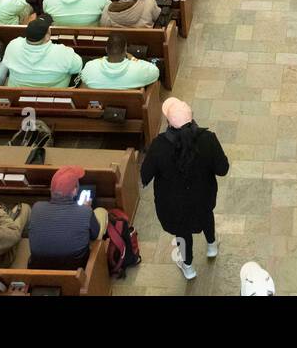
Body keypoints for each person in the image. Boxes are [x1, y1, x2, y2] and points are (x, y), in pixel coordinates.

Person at [141, 97, 229, 280]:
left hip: (173, 205)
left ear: (169, 123)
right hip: (203, 197)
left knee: (182, 232)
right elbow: (223, 169)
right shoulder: (208, 139)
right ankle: (212, 245)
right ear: (192, 119)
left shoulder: (159, 146)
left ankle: (188, 267)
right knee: (206, 215)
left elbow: (145, 176)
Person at [26, 166, 107, 271]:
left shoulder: (36, 208)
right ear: (74, 191)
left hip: (40, 266)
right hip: (77, 268)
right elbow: (94, 235)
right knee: (101, 211)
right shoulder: (85, 211)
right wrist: (88, 210)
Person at [2, 16, 82, 88]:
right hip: (53, 94)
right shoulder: (63, 53)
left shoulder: (13, 45)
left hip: (18, 92)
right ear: (47, 36)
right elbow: (78, 67)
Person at [80, 34, 160, 89]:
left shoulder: (90, 67)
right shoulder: (138, 69)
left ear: (106, 49)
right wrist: (133, 58)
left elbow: (83, 79)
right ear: (125, 50)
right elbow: (156, 72)